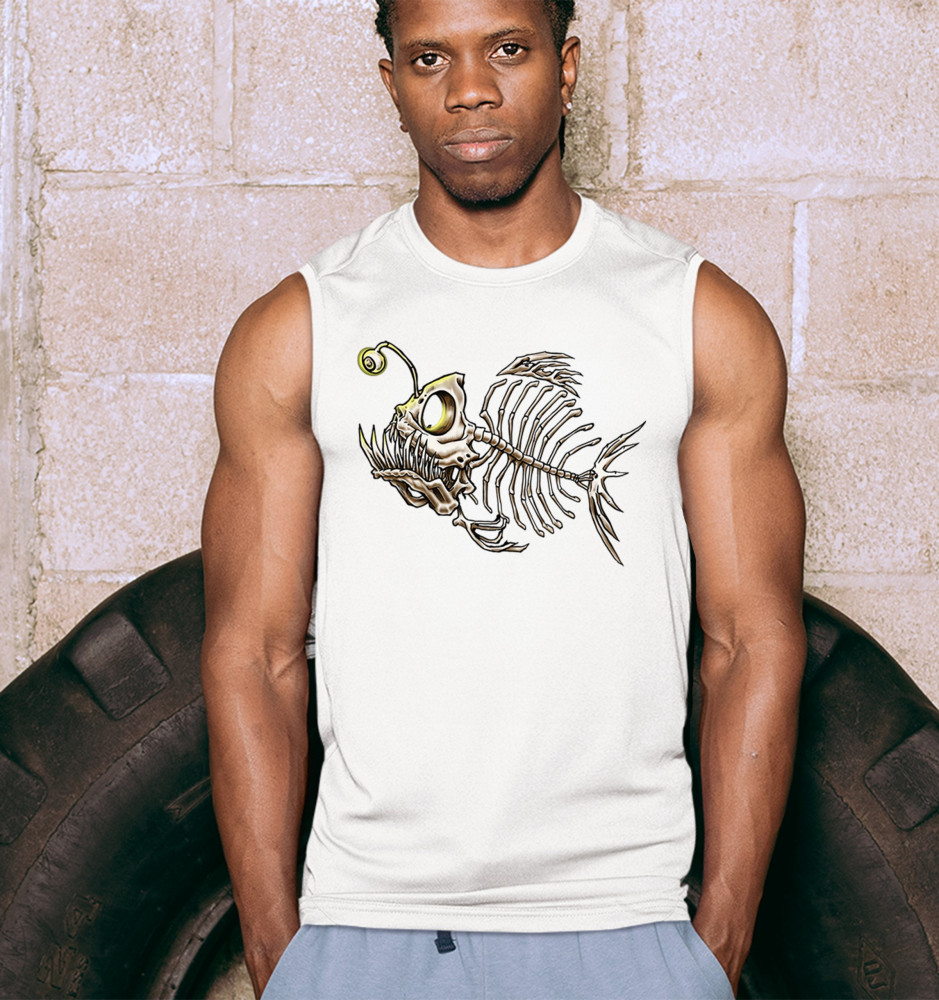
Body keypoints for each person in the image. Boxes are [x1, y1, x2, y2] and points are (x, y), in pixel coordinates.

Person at [200, 1, 807, 997]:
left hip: (627, 923)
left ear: (565, 69)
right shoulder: (299, 328)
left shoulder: (696, 315)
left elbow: (752, 639)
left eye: (508, 50)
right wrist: (282, 954)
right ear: (390, 83)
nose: (470, 90)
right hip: (366, 924)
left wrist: (715, 945)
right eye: (429, 59)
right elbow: (252, 654)